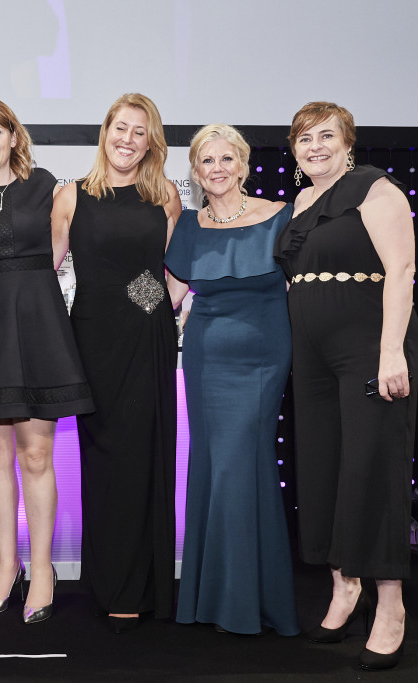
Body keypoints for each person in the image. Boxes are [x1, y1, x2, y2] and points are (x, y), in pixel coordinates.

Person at [274, 102, 418, 671]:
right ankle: (344, 586)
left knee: (373, 470)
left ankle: (391, 605)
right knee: (324, 467)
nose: (314, 147)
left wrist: (388, 353)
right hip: (309, 358)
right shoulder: (301, 203)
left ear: (347, 142)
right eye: (303, 139)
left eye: (325, 136)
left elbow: (401, 271)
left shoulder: (376, 190)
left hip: (368, 349)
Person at [0, 97, 94, 624]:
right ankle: (6, 568)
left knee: (36, 457)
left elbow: (69, 249)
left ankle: (42, 568)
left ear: (14, 135)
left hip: (38, 327)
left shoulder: (47, 186)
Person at [51, 93, 182, 633]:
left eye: (139, 132)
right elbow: (45, 271)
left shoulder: (165, 196)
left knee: (143, 460)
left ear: (151, 142)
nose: (127, 140)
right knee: (102, 463)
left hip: (146, 342)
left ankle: (143, 587)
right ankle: (109, 583)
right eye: (120, 128)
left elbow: (174, 272)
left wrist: (140, 307)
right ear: (105, 132)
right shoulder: (71, 196)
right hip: (89, 344)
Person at [164, 124, 300, 636]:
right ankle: (219, 596)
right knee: (215, 464)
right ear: (195, 173)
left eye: (227, 159)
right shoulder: (191, 225)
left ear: (243, 166)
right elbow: (165, 291)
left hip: (265, 356)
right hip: (205, 358)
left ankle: (241, 598)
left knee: (242, 463)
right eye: (206, 162)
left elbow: (298, 287)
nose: (217, 169)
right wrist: (98, 310)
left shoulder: (279, 215)